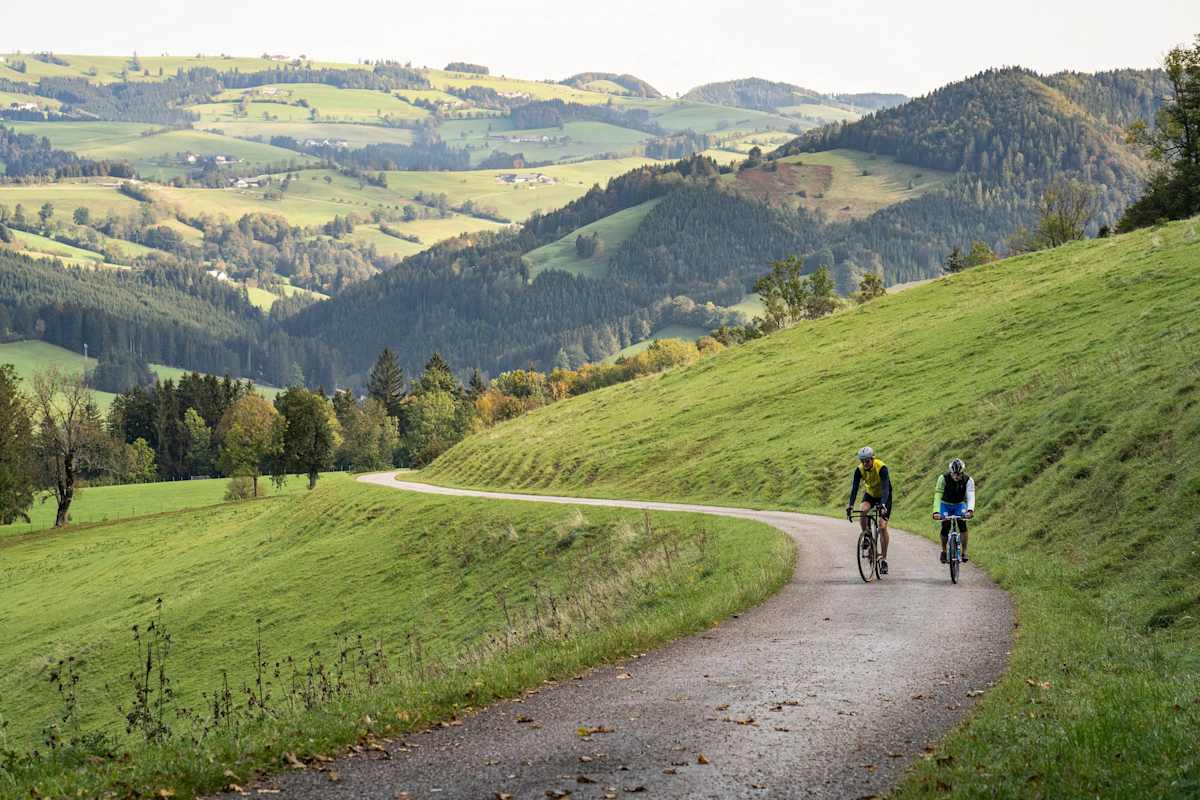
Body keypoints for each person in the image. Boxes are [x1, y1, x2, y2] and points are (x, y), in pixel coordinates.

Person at [845, 446, 893, 574]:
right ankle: (866, 535)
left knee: (882, 527)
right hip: (870, 495)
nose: (865, 463)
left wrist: (882, 504)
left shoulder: (881, 467)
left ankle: (884, 559)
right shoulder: (859, 470)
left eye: (867, 460)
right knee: (863, 510)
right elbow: (854, 488)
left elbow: (885, 488)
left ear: (872, 458)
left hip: (884, 496)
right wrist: (850, 505)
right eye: (862, 461)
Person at [932, 458, 975, 563]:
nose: (956, 476)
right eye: (954, 474)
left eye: (959, 474)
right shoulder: (943, 478)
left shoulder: (968, 480)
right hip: (945, 504)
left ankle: (964, 551)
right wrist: (936, 511)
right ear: (950, 472)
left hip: (959, 505)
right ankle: (944, 550)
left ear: (962, 472)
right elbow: (938, 494)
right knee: (945, 527)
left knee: (963, 526)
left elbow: (970, 496)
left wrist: (970, 510)